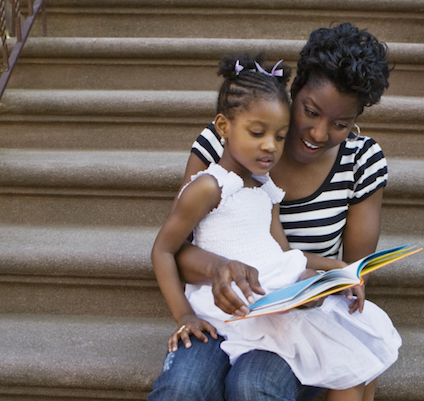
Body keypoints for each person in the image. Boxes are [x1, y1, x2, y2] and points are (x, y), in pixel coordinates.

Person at [150, 23, 392, 401]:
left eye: (340, 124)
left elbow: (346, 273)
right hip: (217, 308)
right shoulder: (226, 141)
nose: (317, 132)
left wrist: (320, 283)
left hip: (288, 319)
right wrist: (217, 271)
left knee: (253, 385)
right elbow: (176, 246)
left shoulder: (358, 162)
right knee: (185, 386)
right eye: (310, 111)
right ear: (293, 91)